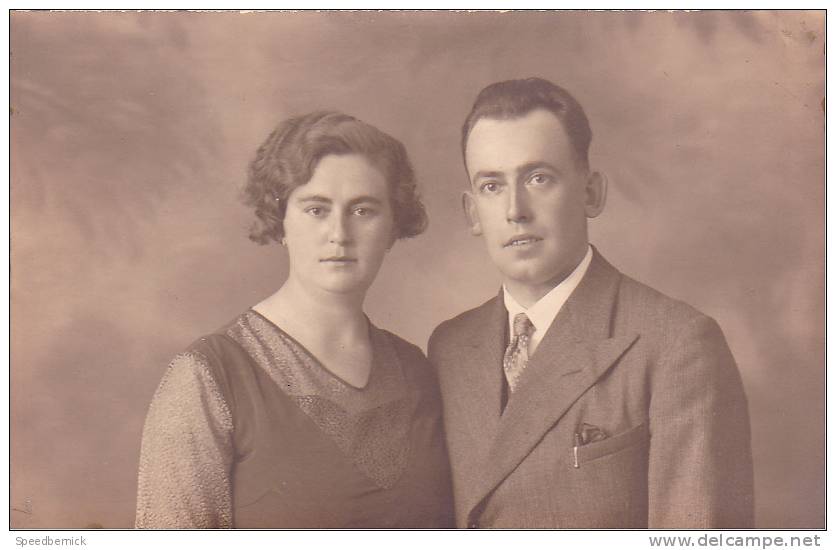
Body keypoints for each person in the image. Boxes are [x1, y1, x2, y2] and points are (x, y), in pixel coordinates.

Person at [428, 77, 754, 529]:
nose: (514, 210)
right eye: (491, 186)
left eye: (538, 178)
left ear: (591, 193)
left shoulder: (677, 343)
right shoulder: (450, 348)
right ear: (471, 214)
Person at [136, 111, 454, 528]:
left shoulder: (416, 370)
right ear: (280, 220)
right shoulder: (209, 377)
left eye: (363, 210)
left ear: (393, 226)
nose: (339, 233)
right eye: (316, 210)